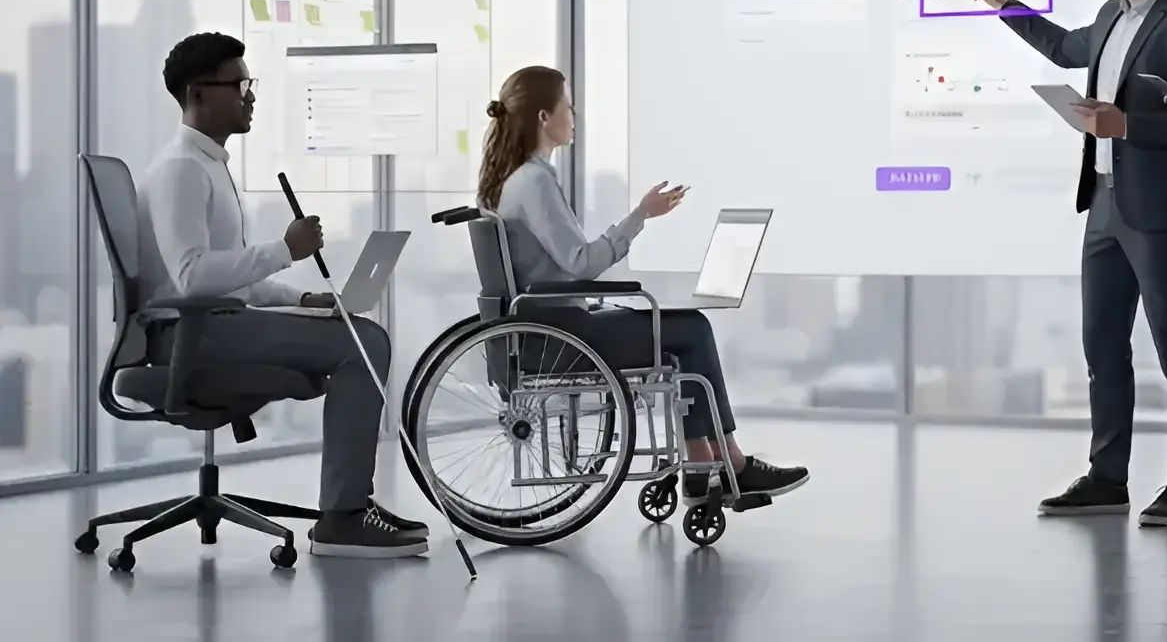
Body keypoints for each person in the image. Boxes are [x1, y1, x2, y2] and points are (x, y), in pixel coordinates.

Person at [969, 0, 1167, 527]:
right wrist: (1006, 4)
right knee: (1102, 345)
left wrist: (1126, 124)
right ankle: (1108, 477)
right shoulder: (1111, 15)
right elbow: (1064, 48)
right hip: (1105, 201)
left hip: (1160, 209)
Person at [137, 33, 428, 559]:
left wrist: (300, 298)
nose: (251, 95)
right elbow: (191, 277)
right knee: (363, 342)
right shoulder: (182, 168)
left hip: (218, 323)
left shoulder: (208, 165)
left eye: (251, 84)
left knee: (354, 331)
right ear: (197, 92)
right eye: (239, 84)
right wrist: (285, 249)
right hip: (191, 336)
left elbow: (234, 279)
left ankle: (348, 502)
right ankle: (342, 515)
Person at [477, 65, 809, 504]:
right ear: (544, 117)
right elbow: (581, 262)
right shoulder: (535, 180)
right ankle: (729, 463)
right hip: (564, 336)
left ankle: (705, 463)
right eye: (569, 106)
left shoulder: (513, 181)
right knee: (692, 329)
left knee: (682, 329)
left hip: (551, 328)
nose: (574, 115)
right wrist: (641, 216)